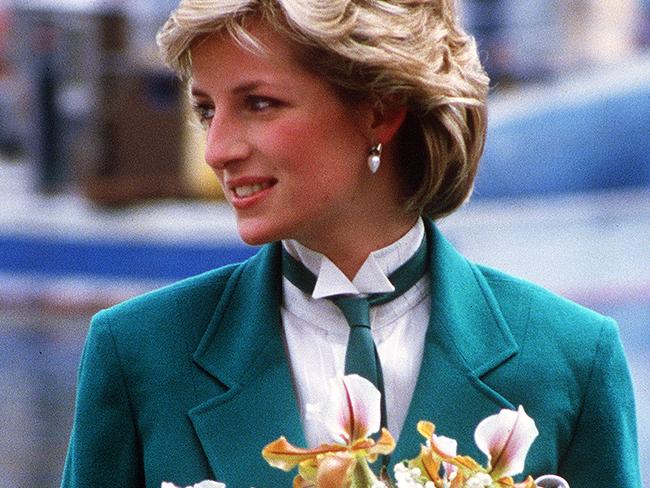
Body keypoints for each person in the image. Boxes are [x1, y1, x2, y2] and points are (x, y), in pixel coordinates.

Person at [61, 1, 641, 487]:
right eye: (207, 110)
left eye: (259, 103)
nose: (217, 150)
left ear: (380, 112)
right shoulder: (137, 352)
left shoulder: (572, 358)